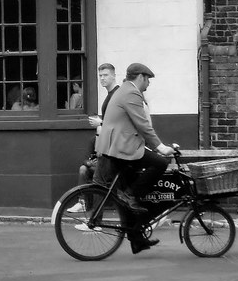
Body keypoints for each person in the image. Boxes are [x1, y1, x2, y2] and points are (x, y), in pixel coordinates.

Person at [96, 62, 175, 254]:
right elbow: (143, 125)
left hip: (116, 147)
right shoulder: (131, 93)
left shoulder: (123, 90)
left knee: (129, 201)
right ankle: (132, 195)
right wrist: (160, 147)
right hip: (122, 149)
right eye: (148, 80)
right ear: (140, 77)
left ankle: (137, 239)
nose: (148, 84)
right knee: (160, 163)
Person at [69, 63, 119, 221]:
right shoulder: (111, 95)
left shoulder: (116, 96)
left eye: (105, 75)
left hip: (113, 149)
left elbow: (117, 123)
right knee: (101, 182)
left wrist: (101, 123)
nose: (102, 78)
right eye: (100, 76)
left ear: (113, 75)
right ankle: (96, 220)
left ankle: (95, 222)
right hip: (110, 148)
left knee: (99, 182)